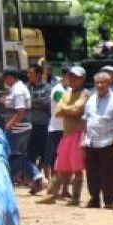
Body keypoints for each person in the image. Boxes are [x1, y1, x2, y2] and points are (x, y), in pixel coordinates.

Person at [39, 67, 88, 205]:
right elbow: (58, 111)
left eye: (76, 77)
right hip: (66, 134)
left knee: (77, 168)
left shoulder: (85, 94)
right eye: (70, 77)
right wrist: (70, 109)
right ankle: (51, 195)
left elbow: (77, 109)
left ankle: (76, 197)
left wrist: (68, 109)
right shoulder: (67, 93)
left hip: (78, 134)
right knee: (60, 166)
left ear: (82, 79)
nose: (72, 80)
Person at [82, 72, 113, 209]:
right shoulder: (90, 99)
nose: (100, 85)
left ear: (109, 84)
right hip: (91, 141)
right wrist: (83, 139)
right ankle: (94, 199)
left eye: (103, 83)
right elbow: (86, 120)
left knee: (109, 174)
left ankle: (108, 201)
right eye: (97, 83)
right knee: (91, 173)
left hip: (108, 142)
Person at [1, 70, 46, 193]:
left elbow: (21, 111)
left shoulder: (18, 90)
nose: (4, 82)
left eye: (5, 79)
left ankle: (33, 177)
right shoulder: (16, 89)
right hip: (19, 127)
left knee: (14, 155)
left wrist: (11, 123)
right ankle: (36, 177)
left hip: (18, 128)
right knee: (20, 155)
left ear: (10, 77)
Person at [27, 64, 51, 175]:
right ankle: (33, 176)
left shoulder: (47, 88)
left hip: (43, 125)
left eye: (31, 74)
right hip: (30, 125)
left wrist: (31, 104)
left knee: (44, 152)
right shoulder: (27, 87)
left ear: (38, 75)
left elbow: (46, 103)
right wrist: (36, 104)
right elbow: (26, 103)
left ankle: (43, 176)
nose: (28, 76)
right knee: (30, 152)